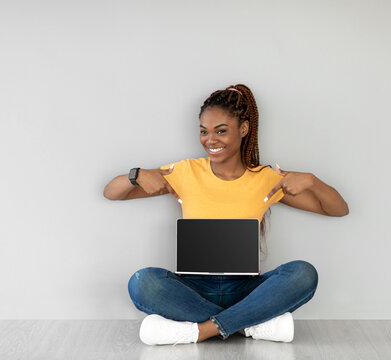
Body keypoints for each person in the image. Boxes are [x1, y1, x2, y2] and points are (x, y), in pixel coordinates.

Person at [103, 84, 349, 346]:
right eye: (204, 132)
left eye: (221, 131)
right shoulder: (185, 172)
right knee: (143, 282)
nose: (211, 140)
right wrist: (137, 175)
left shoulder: (267, 179)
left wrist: (312, 181)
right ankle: (246, 326)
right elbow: (112, 192)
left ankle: (200, 331)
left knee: (304, 274)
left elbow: (338, 208)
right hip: (193, 289)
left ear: (243, 129)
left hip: (245, 290)